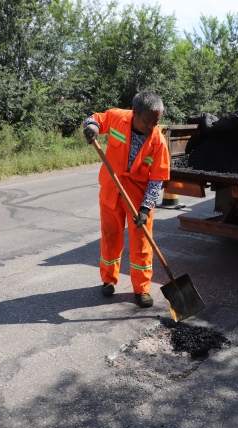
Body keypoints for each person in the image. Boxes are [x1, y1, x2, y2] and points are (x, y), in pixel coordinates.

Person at [82, 92, 170, 308]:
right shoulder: (118, 118)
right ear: (135, 114)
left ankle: (142, 289)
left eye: (156, 121)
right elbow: (94, 119)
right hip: (111, 192)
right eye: (148, 120)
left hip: (138, 200)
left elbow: (157, 179)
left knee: (141, 245)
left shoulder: (158, 141)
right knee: (110, 237)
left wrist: (146, 208)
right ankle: (108, 280)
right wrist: (92, 127)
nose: (152, 126)